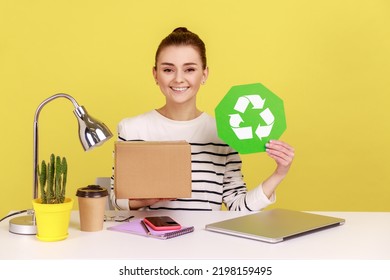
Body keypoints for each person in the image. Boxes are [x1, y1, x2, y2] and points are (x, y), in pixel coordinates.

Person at [111, 27, 294, 211]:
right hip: (148, 238)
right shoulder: (131, 129)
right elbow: (117, 200)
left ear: (204, 74)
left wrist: (279, 173)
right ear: (155, 75)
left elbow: (238, 208)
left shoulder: (224, 133)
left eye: (189, 69)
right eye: (168, 69)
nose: (179, 79)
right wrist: (149, 199)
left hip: (204, 239)